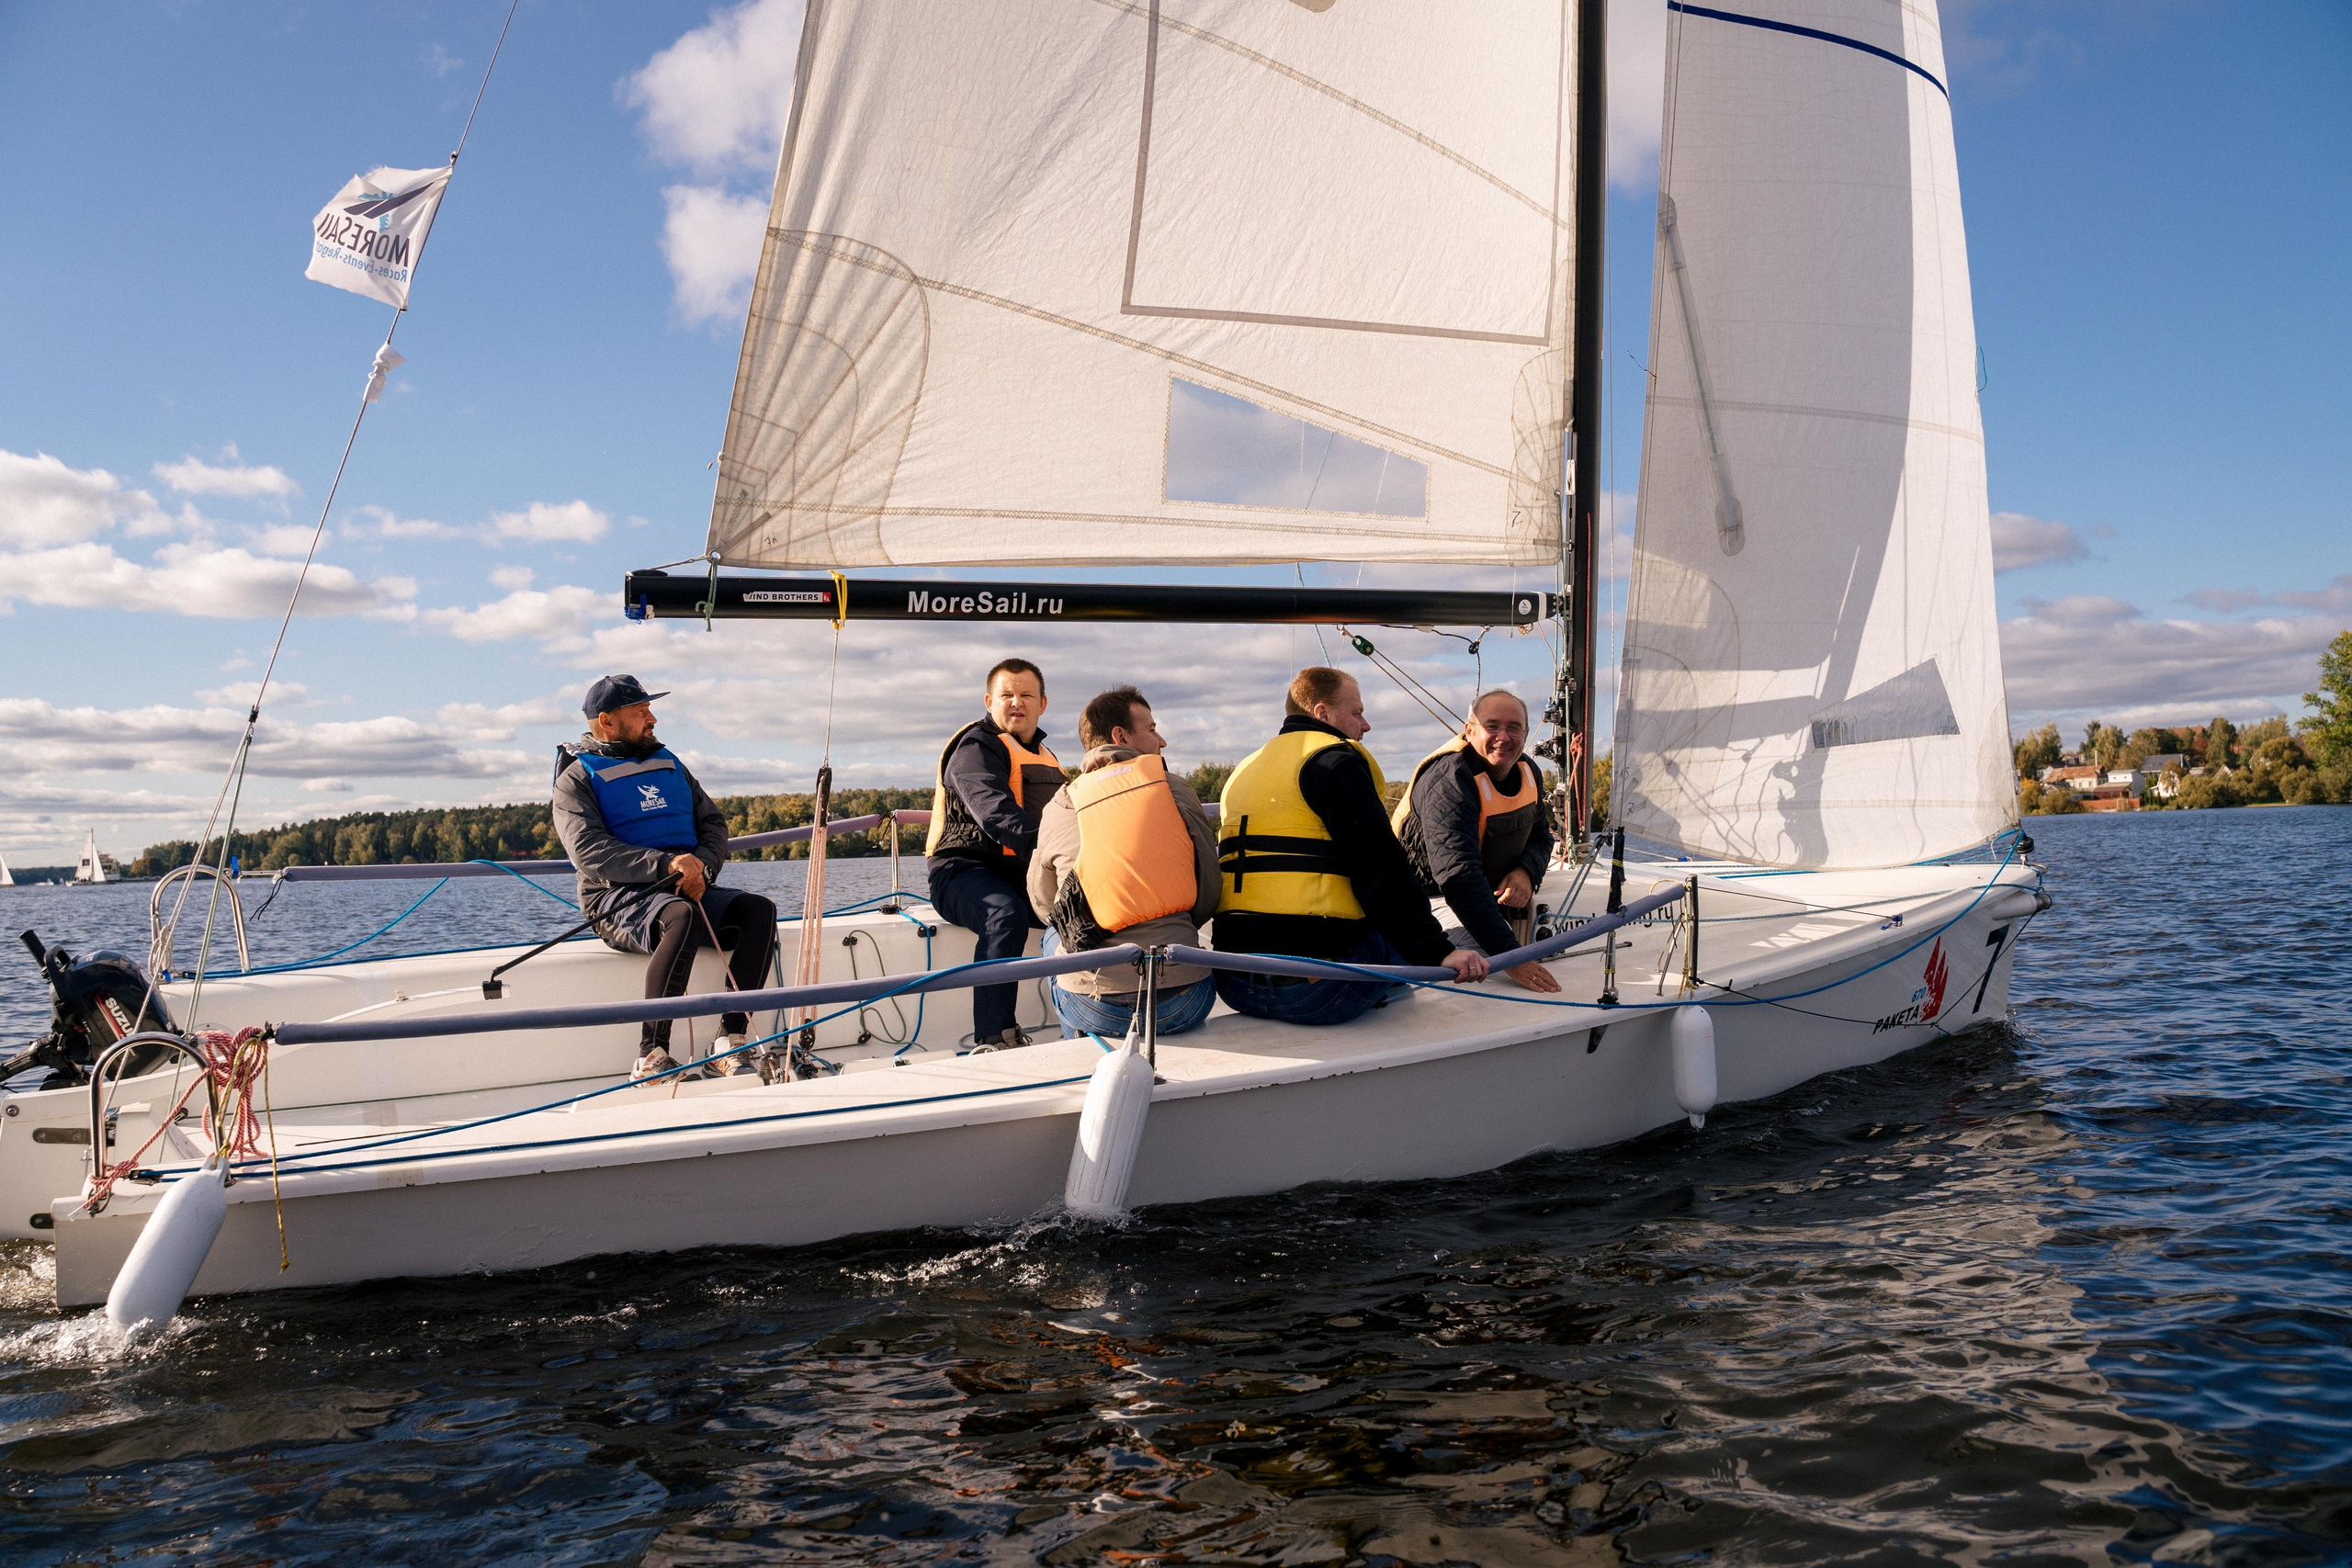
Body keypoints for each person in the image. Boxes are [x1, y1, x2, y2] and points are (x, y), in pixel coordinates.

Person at [1213, 667, 1487, 1025]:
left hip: (1234, 984)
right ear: (1322, 713)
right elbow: (1380, 869)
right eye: (1357, 713)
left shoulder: (1243, 771)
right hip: (1317, 991)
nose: (1366, 725)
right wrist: (1438, 951)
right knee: (1450, 941)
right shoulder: (1334, 761)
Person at [552, 674, 777, 1080]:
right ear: (607, 721)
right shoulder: (575, 780)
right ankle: (651, 1057)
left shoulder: (670, 764)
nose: (652, 718)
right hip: (616, 901)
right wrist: (667, 866)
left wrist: (702, 868)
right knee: (681, 916)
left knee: (758, 911)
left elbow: (712, 824)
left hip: (684, 886)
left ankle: (729, 1040)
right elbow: (588, 851)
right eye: (640, 712)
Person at [1028, 685, 1221, 1040]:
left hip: (1099, 1009)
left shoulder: (1060, 804)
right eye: (1150, 729)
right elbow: (1209, 888)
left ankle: (1080, 1055)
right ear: (1121, 735)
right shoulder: (1175, 789)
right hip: (1184, 999)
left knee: (1054, 934)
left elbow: (1043, 903)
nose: (1161, 741)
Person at [926, 658, 1066, 1049]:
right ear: (989, 701)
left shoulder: (1046, 755)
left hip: (1018, 870)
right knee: (1004, 913)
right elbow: (996, 814)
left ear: (1043, 704)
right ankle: (993, 1036)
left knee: (1085, 910)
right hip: (961, 871)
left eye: (1026, 695)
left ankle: (1090, 1015)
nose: (1016, 702)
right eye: (1007, 695)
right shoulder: (975, 748)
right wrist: (1057, 850)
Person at [1393, 689, 1562, 993]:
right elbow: (1459, 879)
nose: (1503, 737)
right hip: (1431, 899)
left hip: (1487, 896)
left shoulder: (1528, 772)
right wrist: (1513, 959)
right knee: (1484, 964)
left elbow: (1541, 837)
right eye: (1492, 726)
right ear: (1469, 730)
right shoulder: (1451, 779)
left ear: (1525, 733)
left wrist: (1526, 872)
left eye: (1513, 728)